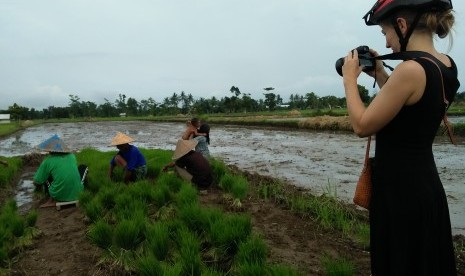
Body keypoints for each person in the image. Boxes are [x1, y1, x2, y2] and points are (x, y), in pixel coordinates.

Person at [342, 0, 458, 274]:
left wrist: (349, 80)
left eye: (385, 34)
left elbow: (362, 125)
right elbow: (410, 108)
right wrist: (381, 73)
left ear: (402, 25)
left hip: (400, 195)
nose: (386, 44)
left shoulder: (409, 70)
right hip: (426, 188)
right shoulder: (447, 66)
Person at [33, 135, 84, 207]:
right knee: (82, 168)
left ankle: (51, 199)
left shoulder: (48, 161)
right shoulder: (72, 156)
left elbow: (37, 181)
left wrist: (38, 189)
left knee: (45, 178)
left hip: (59, 195)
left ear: (50, 150)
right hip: (78, 193)